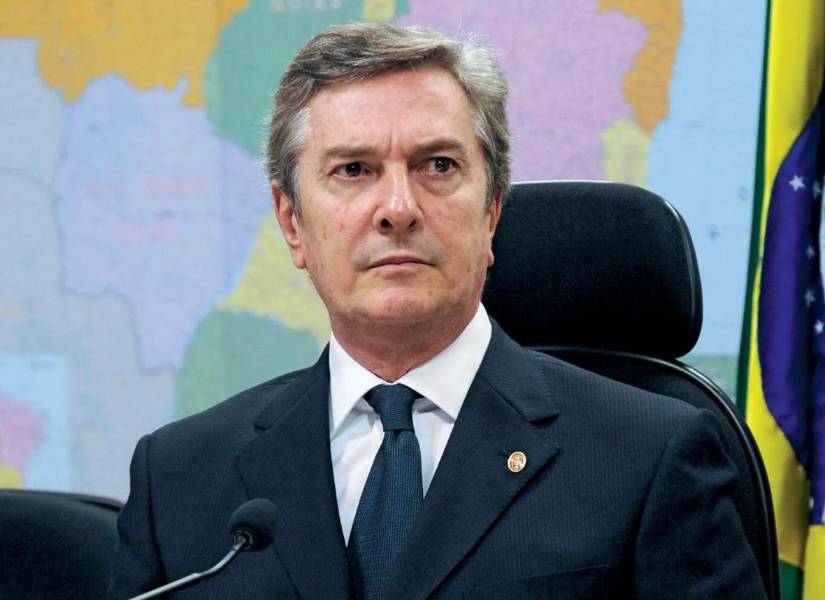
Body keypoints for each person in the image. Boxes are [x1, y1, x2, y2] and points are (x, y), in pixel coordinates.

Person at [108, 23, 766, 599]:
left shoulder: (648, 456)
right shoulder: (180, 479)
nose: (398, 208)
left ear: (492, 211)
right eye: (353, 170)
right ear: (291, 222)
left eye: (438, 165)